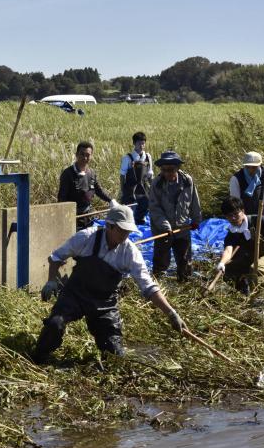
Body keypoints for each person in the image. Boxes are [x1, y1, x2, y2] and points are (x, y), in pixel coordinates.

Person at [33, 204, 184, 363]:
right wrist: (51, 281)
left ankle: (110, 347)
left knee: (114, 355)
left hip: (104, 303)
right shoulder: (86, 237)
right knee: (54, 325)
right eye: (121, 230)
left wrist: (171, 313)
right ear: (109, 226)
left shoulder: (130, 252)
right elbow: (56, 257)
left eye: (128, 232)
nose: (125, 235)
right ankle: (38, 357)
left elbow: (148, 286)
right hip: (75, 294)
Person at [148, 151, 202, 281]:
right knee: (161, 262)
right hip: (163, 231)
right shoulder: (157, 184)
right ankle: (157, 287)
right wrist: (165, 226)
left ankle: (184, 284)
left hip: (182, 228)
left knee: (184, 261)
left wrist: (196, 219)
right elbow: (154, 209)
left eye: (171, 170)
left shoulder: (187, 181)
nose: (167, 173)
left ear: (177, 168)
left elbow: (194, 201)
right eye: (164, 170)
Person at [57, 141, 116, 229]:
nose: (85, 157)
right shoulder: (67, 174)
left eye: (88, 155)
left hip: (88, 215)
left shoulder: (91, 173)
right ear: (76, 155)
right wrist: (65, 218)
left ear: (91, 156)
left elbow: (99, 191)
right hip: (73, 217)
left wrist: (111, 201)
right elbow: (62, 198)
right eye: (82, 154)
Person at [119, 131, 153, 225]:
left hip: (143, 188)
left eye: (143, 143)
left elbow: (150, 173)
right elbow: (122, 175)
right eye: (139, 143)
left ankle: (140, 221)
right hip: (131, 189)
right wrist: (123, 190)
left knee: (144, 207)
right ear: (134, 143)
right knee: (129, 212)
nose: (142, 146)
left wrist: (152, 187)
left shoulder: (148, 157)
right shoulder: (128, 158)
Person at [228, 151, 264, 218]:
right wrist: (242, 215)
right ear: (244, 165)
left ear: (259, 165)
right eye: (248, 167)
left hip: (263, 211)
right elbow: (235, 201)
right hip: (244, 214)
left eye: (254, 167)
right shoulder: (236, 178)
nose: (250, 170)